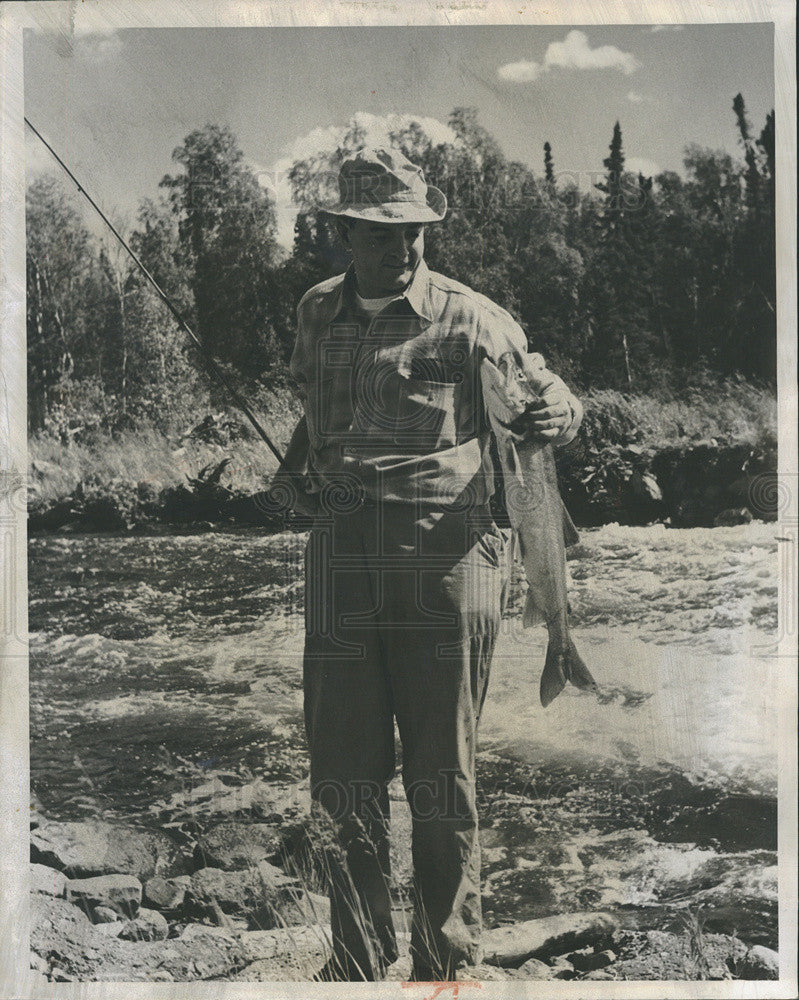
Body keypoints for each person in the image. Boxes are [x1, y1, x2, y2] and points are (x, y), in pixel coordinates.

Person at [272, 146, 583, 982]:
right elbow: (312, 410)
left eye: (413, 232)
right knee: (342, 771)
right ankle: (356, 961)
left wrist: (559, 407)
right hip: (339, 560)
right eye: (380, 233)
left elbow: (549, 402)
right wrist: (295, 471)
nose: (401, 248)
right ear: (340, 231)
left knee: (441, 772)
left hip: (447, 562)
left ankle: (443, 965)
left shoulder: (473, 316)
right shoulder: (313, 312)